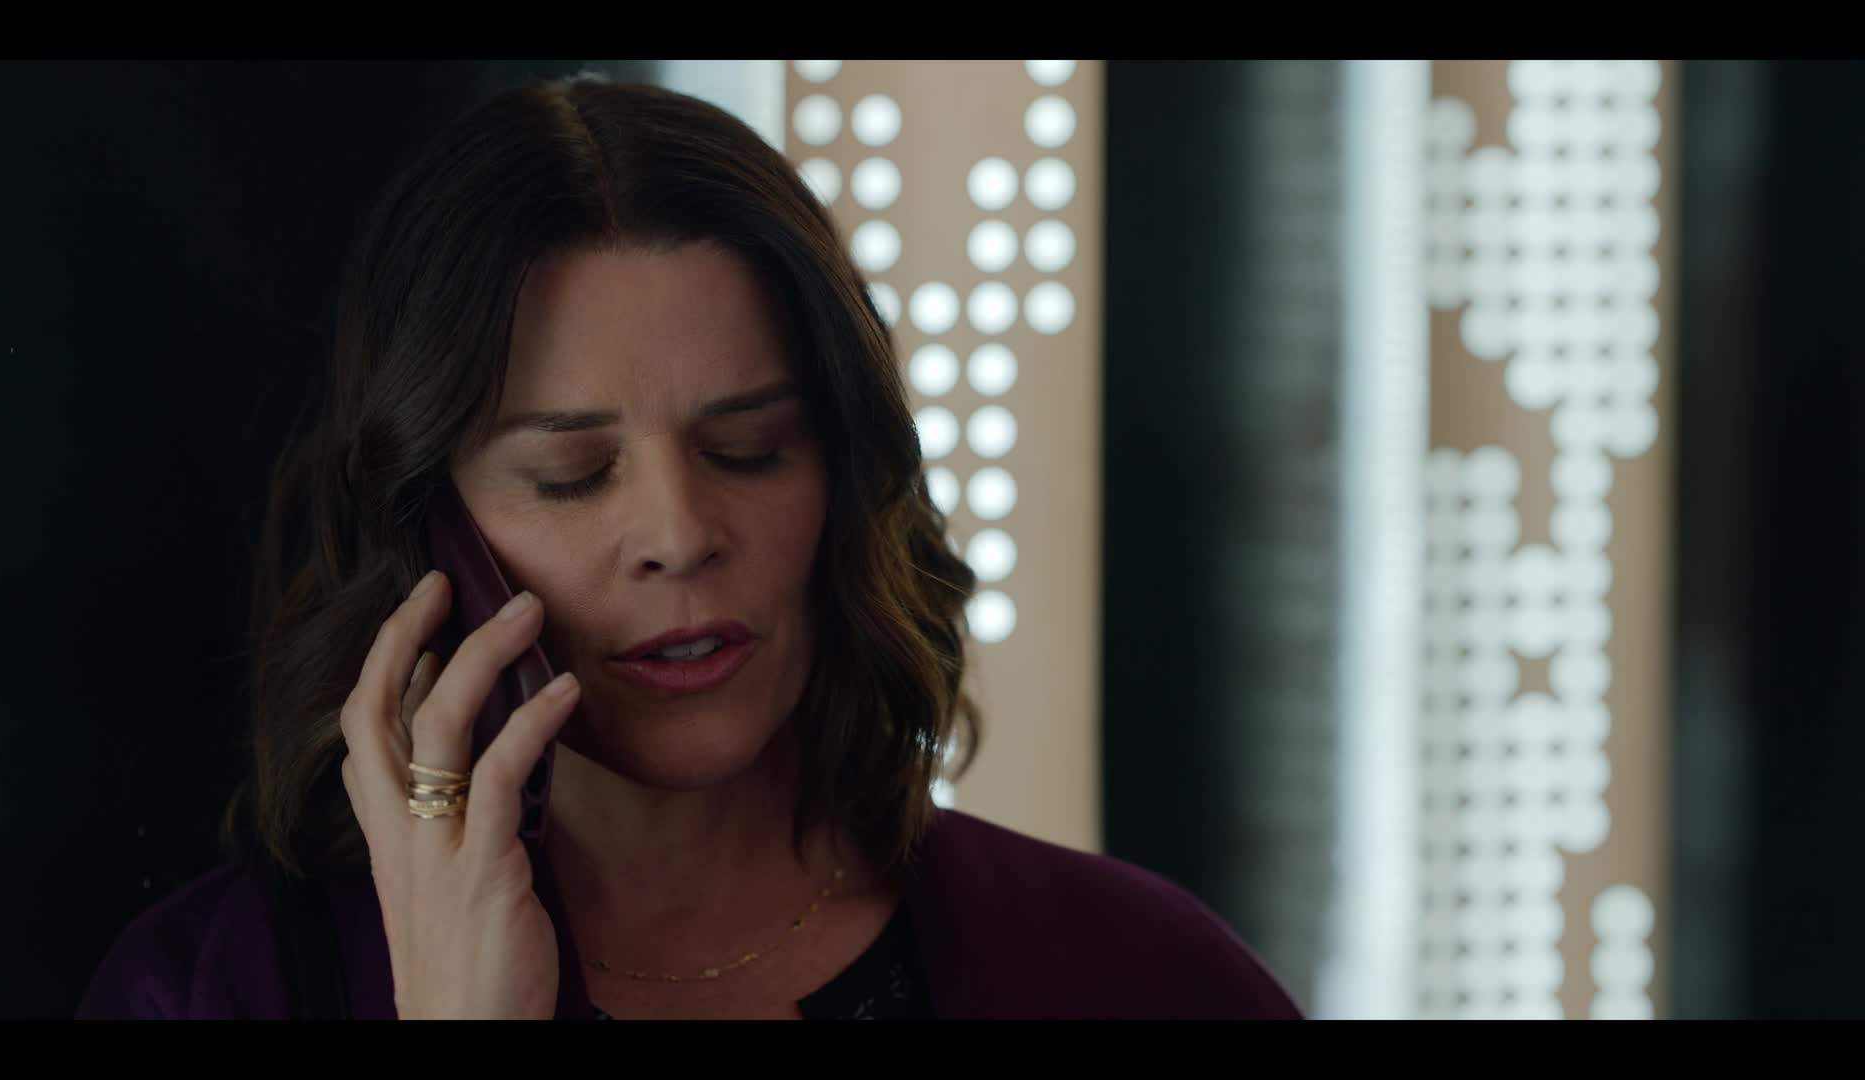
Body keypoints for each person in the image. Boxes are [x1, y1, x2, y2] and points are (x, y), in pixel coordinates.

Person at [74, 74, 1303, 1021]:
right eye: (572, 475)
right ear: (427, 525)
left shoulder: (1136, 972)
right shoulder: (208, 991)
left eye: (750, 450)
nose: (678, 537)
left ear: (845, 477)